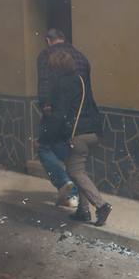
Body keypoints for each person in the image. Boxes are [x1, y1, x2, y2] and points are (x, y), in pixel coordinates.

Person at [41, 47, 111, 226]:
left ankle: (101, 205)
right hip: (93, 132)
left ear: (54, 68)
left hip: (77, 135)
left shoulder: (62, 85)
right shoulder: (80, 80)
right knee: (80, 170)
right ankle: (83, 211)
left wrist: (45, 137)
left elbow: (60, 115)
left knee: (74, 171)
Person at [35, 29, 89, 211]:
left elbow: (44, 84)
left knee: (43, 146)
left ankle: (65, 184)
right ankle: (74, 195)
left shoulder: (46, 55)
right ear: (64, 38)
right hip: (81, 114)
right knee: (69, 152)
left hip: (55, 111)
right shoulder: (81, 56)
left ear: (48, 40)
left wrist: (44, 107)